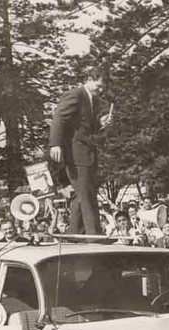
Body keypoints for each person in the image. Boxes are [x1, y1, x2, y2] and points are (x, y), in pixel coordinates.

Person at [49, 69, 112, 235]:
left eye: (103, 88)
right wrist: (55, 144)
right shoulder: (75, 94)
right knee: (87, 195)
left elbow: (86, 128)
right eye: (99, 86)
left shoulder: (94, 100)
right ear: (89, 79)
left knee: (82, 193)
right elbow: (59, 118)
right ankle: (94, 235)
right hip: (75, 154)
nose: (101, 91)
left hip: (88, 153)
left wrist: (100, 122)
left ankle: (73, 233)